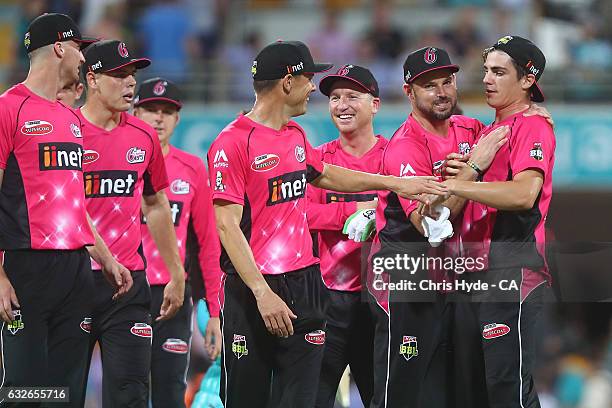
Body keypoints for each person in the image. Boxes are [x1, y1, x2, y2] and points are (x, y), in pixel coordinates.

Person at [207, 40, 448, 408]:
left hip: (306, 285)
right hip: (253, 289)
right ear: (287, 83)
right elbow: (227, 227)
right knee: (248, 399)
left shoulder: (295, 136)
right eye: (308, 79)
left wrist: (394, 184)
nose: (312, 90)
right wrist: (262, 292)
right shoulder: (232, 142)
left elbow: (325, 175)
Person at [0, 13, 131, 407]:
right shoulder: (9, 109)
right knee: (23, 389)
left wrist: (105, 258)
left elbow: (73, 200)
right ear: (60, 48)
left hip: (74, 270)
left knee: (65, 392)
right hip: (26, 268)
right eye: (79, 49)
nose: (82, 58)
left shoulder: (70, 119)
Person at [430, 35, 555, 408]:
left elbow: (523, 194)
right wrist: (467, 173)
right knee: (478, 391)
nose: (487, 79)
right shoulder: (487, 131)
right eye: (486, 70)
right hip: (476, 271)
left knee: (507, 389)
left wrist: (462, 181)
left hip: (512, 268)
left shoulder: (532, 126)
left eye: (499, 72)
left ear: (528, 80)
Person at [78, 40, 185, 407]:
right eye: (119, 75)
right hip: (72, 281)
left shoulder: (143, 137)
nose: (130, 84)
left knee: (131, 395)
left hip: (128, 285)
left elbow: (155, 204)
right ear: (92, 80)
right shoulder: (66, 132)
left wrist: (176, 271)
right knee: (62, 391)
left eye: (132, 75)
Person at [133, 77, 223, 408]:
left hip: (173, 296)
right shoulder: (121, 162)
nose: (159, 118)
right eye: (151, 110)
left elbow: (209, 245)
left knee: (171, 391)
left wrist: (213, 312)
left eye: (167, 112)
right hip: (125, 290)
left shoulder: (192, 169)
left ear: (178, 119)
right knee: (127, 389)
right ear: (135, 113)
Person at [306, 64, 382, 408]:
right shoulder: (317, 158)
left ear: (375, 105)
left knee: (383, 398)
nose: (342, 104)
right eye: (335, 97)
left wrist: (374, 214)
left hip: (380, 302)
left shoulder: (395, 156)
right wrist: (353, 212)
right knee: (314, 398)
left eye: (352, 96)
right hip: (327, 300)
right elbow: (302, 215)